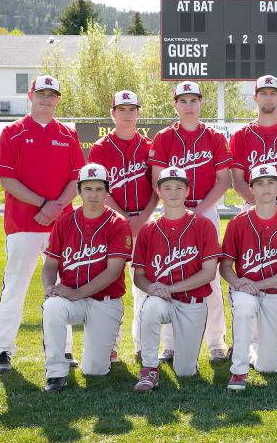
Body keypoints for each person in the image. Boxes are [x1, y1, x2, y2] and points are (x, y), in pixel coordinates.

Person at [0, 74, 85, 372]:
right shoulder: (12, 132)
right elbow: (6, 179)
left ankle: (63, 350)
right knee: (15, 287)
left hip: (60, 227)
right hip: (23, 225)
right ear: (30, 96)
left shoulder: (68, 134)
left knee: (62, 288)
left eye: (51, 95)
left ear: (58, 99)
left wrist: (54, 210)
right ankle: (2, 350)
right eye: (41, 94)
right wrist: (44, 204)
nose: (46, 99)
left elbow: (77, 179)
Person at [148, 81, 232, 363]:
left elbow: (224, 181)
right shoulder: (163, 137)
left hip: (205, 212)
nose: (188, 105)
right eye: (182, 100)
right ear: (175, 105)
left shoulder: (214, 137)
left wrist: (198, 210)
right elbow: (157, 180)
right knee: (170, 273)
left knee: (212, 278)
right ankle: (170, 344)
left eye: (193, 100)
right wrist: (179, 208)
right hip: (172, 212)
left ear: (200, 103)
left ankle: (216, 342)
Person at [229, 75, 277, 359]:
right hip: (250, 209)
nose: (268, 97)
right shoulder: (241, 135)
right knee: (248, 270)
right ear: (255, 97)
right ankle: (245, 338)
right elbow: (237, 179)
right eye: (263, 93)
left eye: (273, 93)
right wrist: (259, 206)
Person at [40, 163, 132, 392]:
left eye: (99, 189)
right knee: (52, 307)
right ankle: (55, 373)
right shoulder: (64, 221)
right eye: (88, 188)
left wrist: (77, 293)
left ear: (107, 191)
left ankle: (104, 349)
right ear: (79, 191)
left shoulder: (118, 223)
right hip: (72, 299)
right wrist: (49, 287)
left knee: (94, 370)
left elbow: (113, 272)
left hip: (105, 301)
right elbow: (50, 265)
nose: (93, 195)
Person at [131, 167, 221, 391]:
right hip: (161, 299)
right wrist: (153, 289)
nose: (173, 193)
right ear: (159, 192)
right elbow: (139, 277)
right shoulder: (148, 230)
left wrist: (170, 288)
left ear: (187, 191)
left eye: (179, 187)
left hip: (192, 302)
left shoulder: (203, 225)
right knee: (150, 307)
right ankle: (149, 369)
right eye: (168, 188)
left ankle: (185, 361)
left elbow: (209, 273)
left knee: (185, 371)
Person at [220, 164, 277, 391]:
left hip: (274, 293)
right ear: (251, 189)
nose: (265, 188)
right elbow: (225, 266)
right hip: (245, 290)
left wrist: (258, 284)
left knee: (269, 367)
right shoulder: (238, 222)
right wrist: (238, 283)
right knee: (244, 306)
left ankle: (251, 350)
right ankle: (238, 370)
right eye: (259, 183)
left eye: (270, 183)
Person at [88, 90, 158, 362]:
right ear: (113, 113)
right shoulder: (100, 148)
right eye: (121, 109)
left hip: (145, 221)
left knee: (145, 284)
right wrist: (124, 220)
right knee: (110, 285)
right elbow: (99, 189)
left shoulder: (150, 147)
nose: (127, 114)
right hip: (112, 222)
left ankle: (143, 344)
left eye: (131, 109)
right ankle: (110, 344)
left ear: (138, 112)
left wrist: (143, 218)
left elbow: (157, 188)